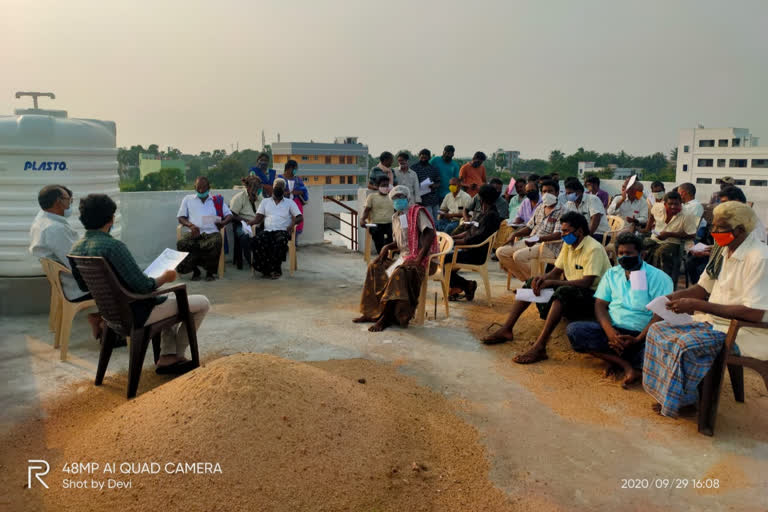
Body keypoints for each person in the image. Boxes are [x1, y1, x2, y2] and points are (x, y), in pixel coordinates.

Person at [643, 201, 768, 417]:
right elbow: (702, 288)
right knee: (658, 331)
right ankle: (676, 396)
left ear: (739, 230)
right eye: (713, 226)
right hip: (713, 322)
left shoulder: (759, 257)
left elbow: (754, 313)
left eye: (720, 228)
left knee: (684, 345)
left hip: (744, 331)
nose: (713, 232)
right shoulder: (722, 249)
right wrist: (668, 298)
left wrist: (697, 306)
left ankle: (685, 401)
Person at [70, 194, 210, 375]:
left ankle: (167, 355)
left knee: (169, 300)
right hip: (137, 313)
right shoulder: (113, 247)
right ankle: (176, 355)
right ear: (111, 219)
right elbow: (144, 286)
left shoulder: (77, 248)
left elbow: (84, 286)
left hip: (111, 314)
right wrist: (166, 277)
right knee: (202, 303)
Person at [483, 212, 612, 365]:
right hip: (578, 292)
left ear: (579, 231)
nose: (563, 235)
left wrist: (552, 283)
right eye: (562, 231)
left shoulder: (594, 249)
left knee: (562, 291)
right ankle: (507, 329)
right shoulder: (569, 245)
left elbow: (586, 283)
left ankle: (540, 347)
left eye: (566, 231)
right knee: (532, 282)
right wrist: (542, 278)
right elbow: (556, 272)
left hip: (596, 300)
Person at [566, 233, 673, 387]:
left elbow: (660, 314)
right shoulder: (612, 274)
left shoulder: (659, 278)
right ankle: (626, 365)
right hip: (613, 331)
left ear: (642, 254)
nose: (624, 257)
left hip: (642, 335)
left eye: (629, 253)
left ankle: (615, 358)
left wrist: (638, 339)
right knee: (574, 331)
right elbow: (600, 304)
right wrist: (610, 332)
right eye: (621, 254)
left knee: (662, 351)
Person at [353, 185, 437, 332]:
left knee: (399, 273)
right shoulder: (396, 217)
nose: (398, 200)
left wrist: (418, 259)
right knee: (375, 267)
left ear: (407, 197)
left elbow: (429, 234)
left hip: (422, 260)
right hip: (404, 258)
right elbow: (399, 243)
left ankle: (386, 317)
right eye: (395, 198)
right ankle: (371, 312)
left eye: (401, 197)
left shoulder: (416, 212)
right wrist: (386, 247)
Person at [29, 185, 103, 340]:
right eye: (69, 200)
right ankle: (107, 325)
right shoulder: (54, 229)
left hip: (62, 281)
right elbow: (76, 264)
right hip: (74, 286)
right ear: (58, 202)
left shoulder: (42, 219)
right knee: (121, 283)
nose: (70, 204)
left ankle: (100, 318)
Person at [685, 186, 766, 284]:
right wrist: (711, 249)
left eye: (724, 202)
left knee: (703, 268)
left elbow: (751, 248)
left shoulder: (751, 221)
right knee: (692, 262)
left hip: (738, 262)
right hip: (724, 254)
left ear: (736, 201)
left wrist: (715, 252)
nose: (720, 206)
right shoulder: (727, 218)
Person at [496, 179, 564, 283]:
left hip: (549, 246)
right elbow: (529, 227)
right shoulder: (540, 207)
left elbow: (558, 234)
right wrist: (514, 234)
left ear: (557, 192)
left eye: (550, 191)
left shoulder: (563, 210)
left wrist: (537, 239)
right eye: (544, 191)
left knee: (518, 256)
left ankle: (534, 282)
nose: (547, 194)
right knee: (501, 252)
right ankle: (530, 281)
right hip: (532, 241)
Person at [447, 185, 503, 301]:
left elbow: (476, 239)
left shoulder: (491, 216)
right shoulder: (483, 211)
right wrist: (453, 237)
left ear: (481, 198)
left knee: (443, 259)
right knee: (444, 258)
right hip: (469, 249)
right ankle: (461, 286)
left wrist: (455, 243)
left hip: (476, 254)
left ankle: (466, 285)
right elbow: (470, 231)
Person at [176, 176, 233, 281]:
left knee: (216, 242)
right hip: (193, 232)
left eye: (204, 187)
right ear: (194, 187)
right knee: (182, 243)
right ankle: (195, 270)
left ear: (209, 187)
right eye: (198, 187)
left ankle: (210, 272)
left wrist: (223, 222)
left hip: (212, 232)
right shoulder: (188, 199)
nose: (201, 190)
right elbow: (181, 217)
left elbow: (229, 215)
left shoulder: (217, 200)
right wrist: (190, 225)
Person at [249, 178, 303, 279]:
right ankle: (265, 269)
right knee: (256, 240)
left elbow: (300, 217)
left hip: (282, 231)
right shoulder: (265, 202)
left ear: (284, 189)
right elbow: (258, 218)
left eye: (280, 187)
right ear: (273, 188)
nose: (278, 189)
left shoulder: (289, 202)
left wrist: (292, 224)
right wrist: (250, 223)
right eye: (276, 187)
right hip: (268, 231)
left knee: (280, 241)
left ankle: (276, 269)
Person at [642, 191, 697, 282]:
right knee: (640, 246)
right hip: (655, 238)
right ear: (664, 204)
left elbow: (692, 235)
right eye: (670, 204)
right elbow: (651, 215)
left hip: (674, 242)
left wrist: (669, 234)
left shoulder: (687, 215)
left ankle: (663, 282)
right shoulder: (658, 207)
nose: (673, 207)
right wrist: (648, 228)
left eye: (676, 204)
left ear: (681, 203)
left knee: (662, 253)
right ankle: (643, 279)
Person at [229, 176, 263, 269]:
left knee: (265, 236)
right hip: (243, 225)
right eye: (255, 188)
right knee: (245, 238)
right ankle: (252, 262)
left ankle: (261, 261)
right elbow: (232, 215)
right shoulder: (239, 198)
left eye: (258, 188)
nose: (257, 190)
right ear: (248, 188)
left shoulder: (260, 198)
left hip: (257, 225)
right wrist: (245, 221)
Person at [564, 178, 610, 242]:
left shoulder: (593, 199)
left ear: (579, 192)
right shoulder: (569, 204)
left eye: (569, 193)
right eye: (566, 193)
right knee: (565, 241)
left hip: (598, 234)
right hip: (581, 235)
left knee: (577, 243)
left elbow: (596, 218)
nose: (567, 195)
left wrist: (586, 237)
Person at [360, 175, 394, 254]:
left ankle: (388, 259)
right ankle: (382, 259)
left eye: (387, 185)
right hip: (376, 225)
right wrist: (362, 219)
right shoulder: (372, 197)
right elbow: (366, 210)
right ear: (378, 186)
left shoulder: (392, 196)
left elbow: (397, 210)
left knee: (392, 244)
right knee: (380, 247)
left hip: (390, 224)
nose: (385, 187)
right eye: (383, 185)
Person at [279, 160, 309, 236]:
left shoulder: (298, 179)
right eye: (294, 168)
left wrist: (298, 192)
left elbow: (304, 191)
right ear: (289, 168)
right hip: (283, 205)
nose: (295, 171)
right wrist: (286, 193)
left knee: (297, 224)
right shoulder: (280, 179)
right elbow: (276, 192)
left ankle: (295, 245)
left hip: (296, 204)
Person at [412, 148, 441, 221]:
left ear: (429, 158)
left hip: (434, 199)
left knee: (437, 219)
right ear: (419, 157)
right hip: (423, 200)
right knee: (430, 220)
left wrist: (434, 185)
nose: (424, 159)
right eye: (422, 157)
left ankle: (437, 232)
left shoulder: (433, 169)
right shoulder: (414, 168)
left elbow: (438, 182)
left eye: (426, 157)